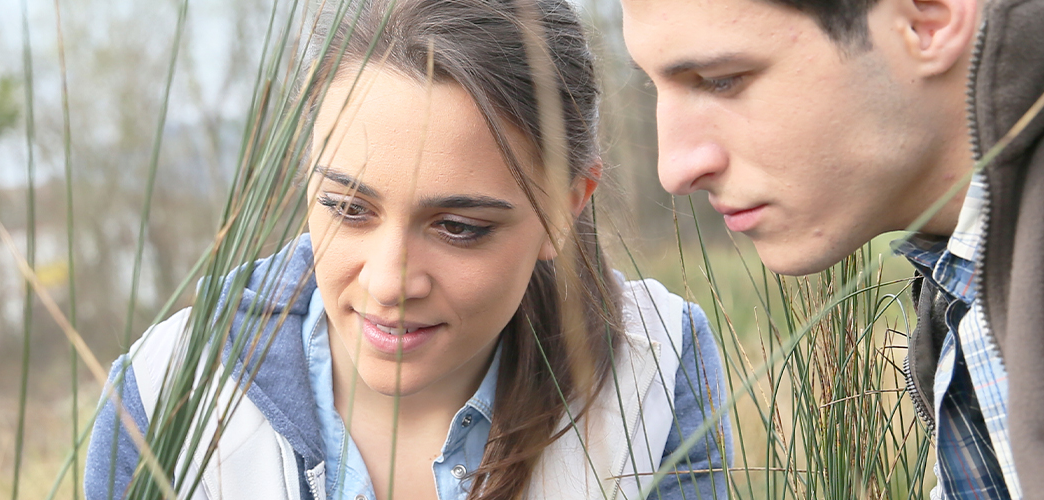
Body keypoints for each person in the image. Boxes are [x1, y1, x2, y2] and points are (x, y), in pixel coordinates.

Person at [619, 0, 1044, 495]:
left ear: (928, 18)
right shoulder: (961, 273)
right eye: (656, 88)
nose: (675, 167)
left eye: (720, 80)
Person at [84, 0, 731, 498]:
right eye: (348, 208)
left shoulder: (656, 368)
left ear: (566, 208)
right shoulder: (165, 392)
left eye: (458, 227)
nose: (390, 283)